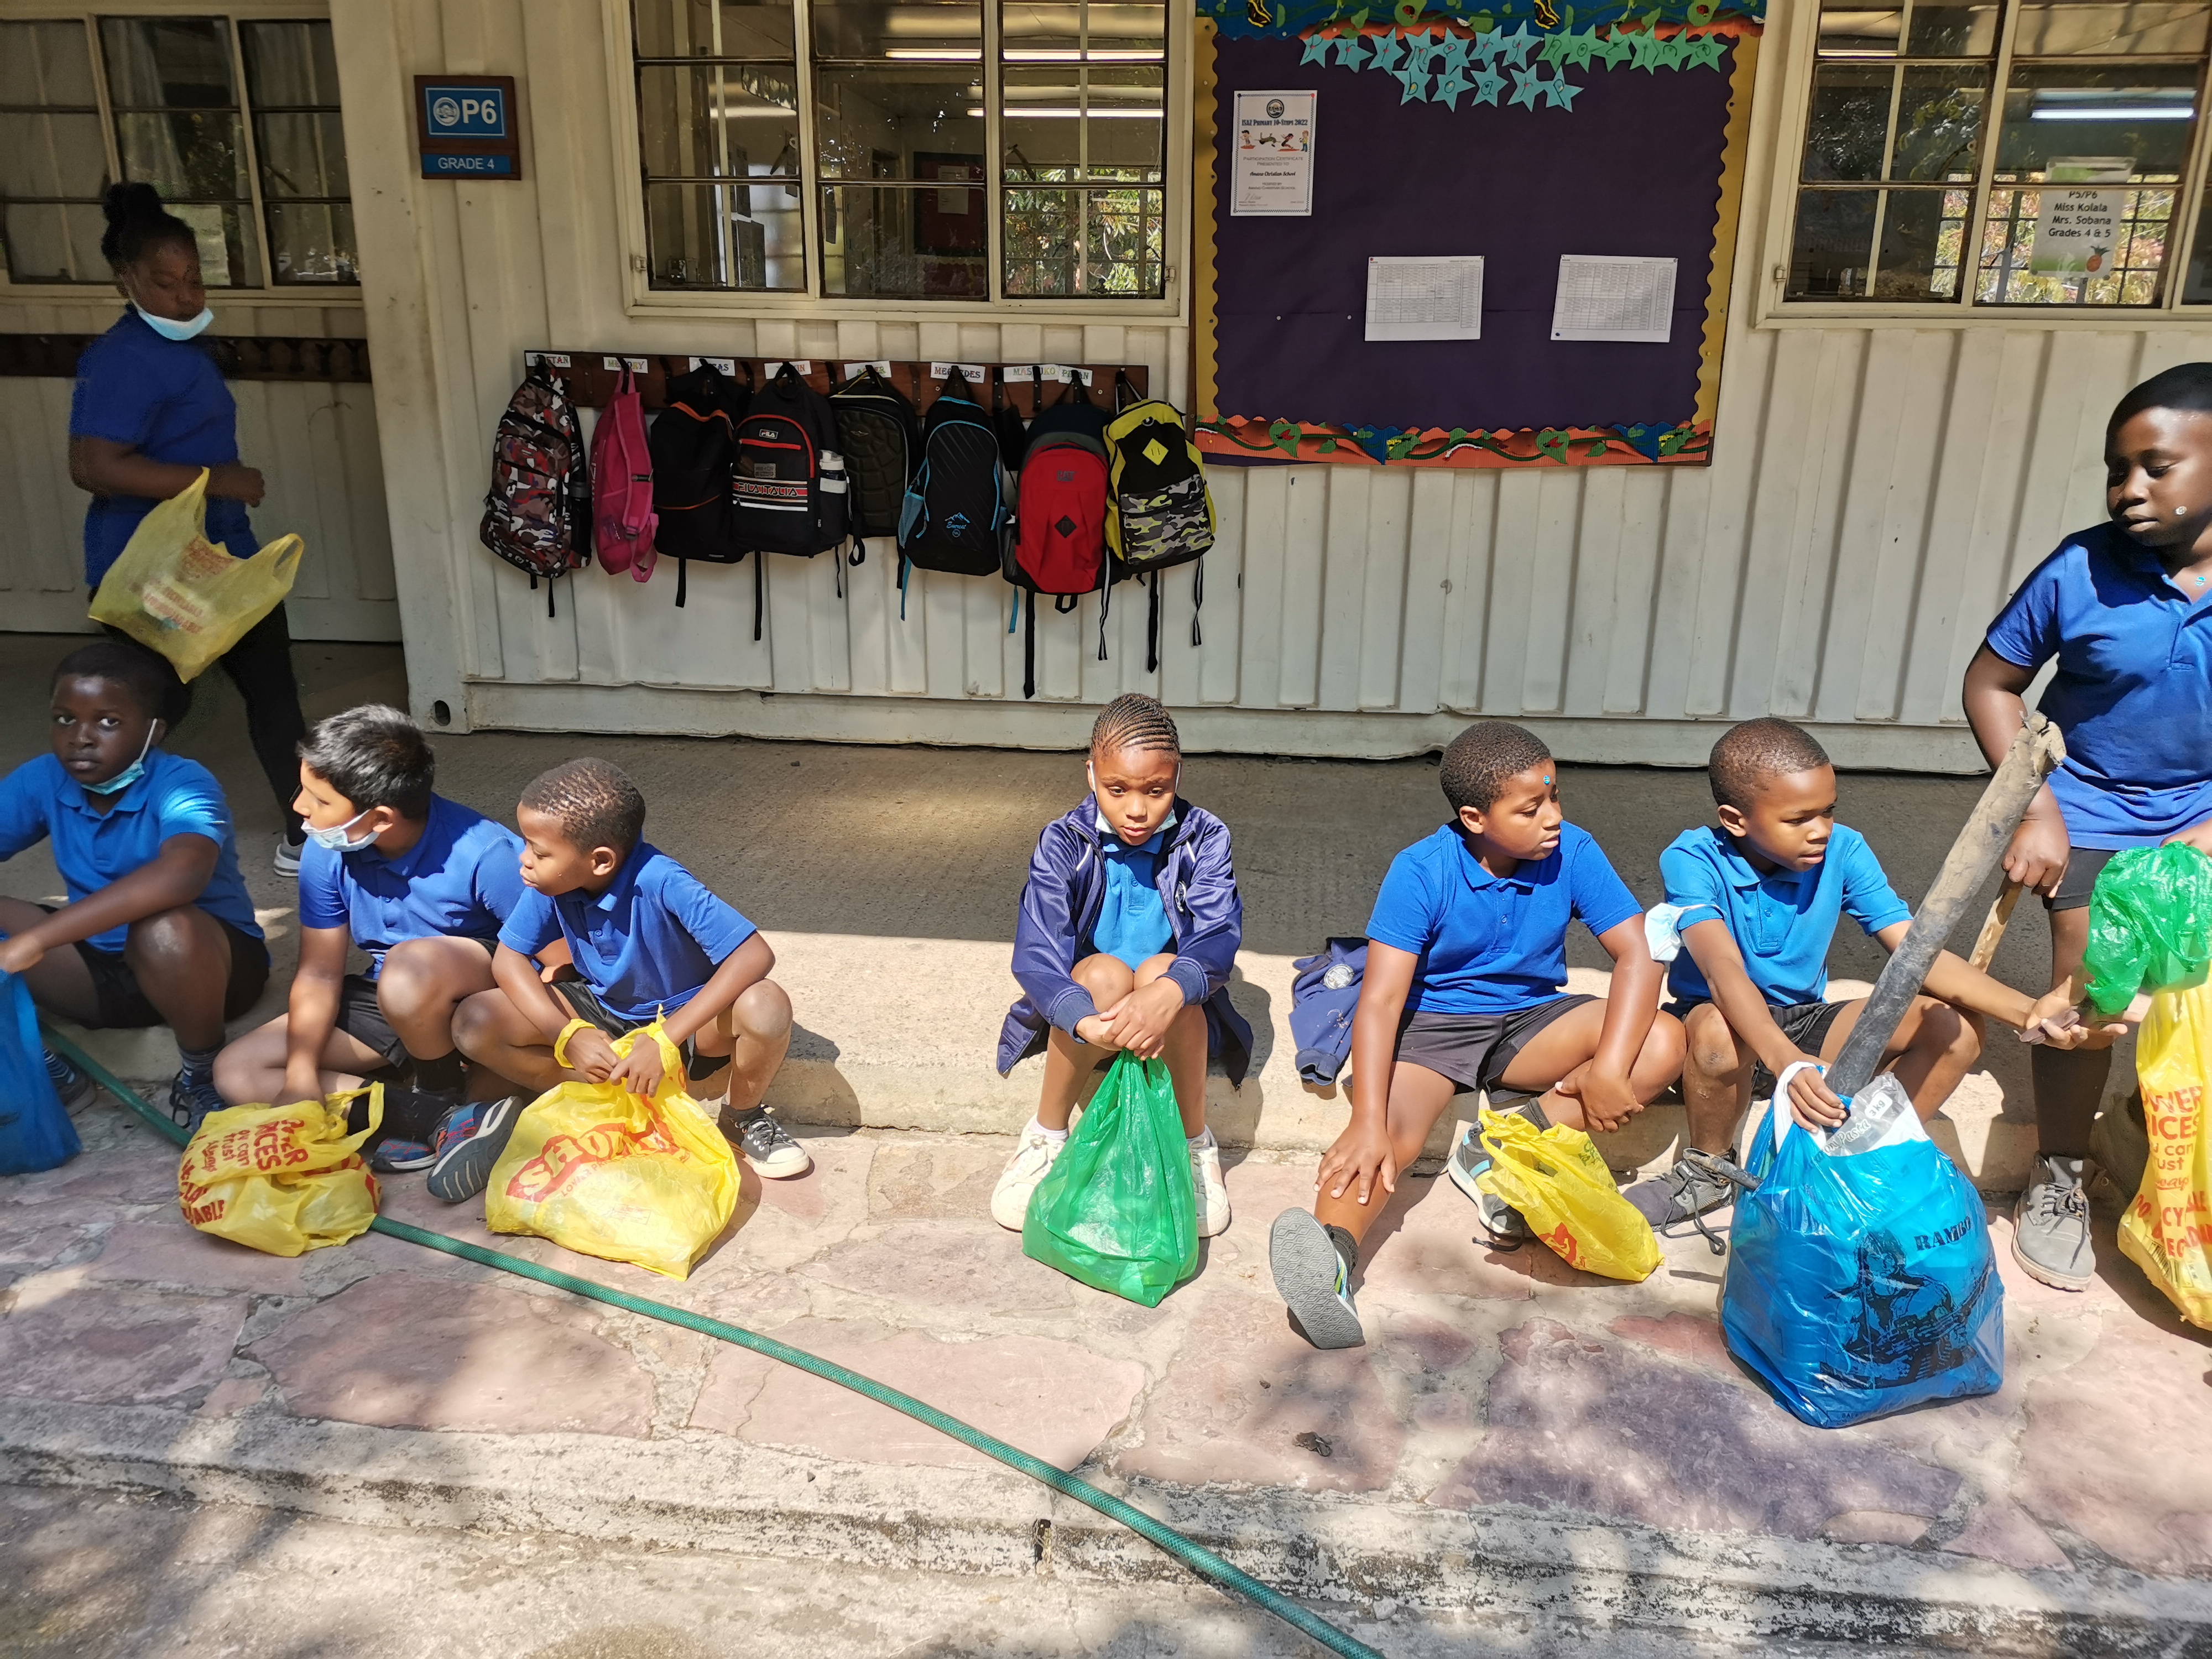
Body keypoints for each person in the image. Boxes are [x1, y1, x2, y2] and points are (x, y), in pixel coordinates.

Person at [1267, 720, 1683, 1350]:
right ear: (1474, 818)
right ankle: (1329, 1264)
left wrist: (1608, 1068)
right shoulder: (1421, 871)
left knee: (1662, 1042)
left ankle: (1493, 1151)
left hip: (1530, 1021)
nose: (1552, 817)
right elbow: (1381, 1000)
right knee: (1389, 1138)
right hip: (1432, 1027)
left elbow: (1640, 954)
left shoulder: (1573, 850)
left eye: (1554, 796)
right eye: (1530, 808)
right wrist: (1367, 1120)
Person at [1961, 361, 2212, 1291]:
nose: (2128, 489)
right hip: (2090, 802)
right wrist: (2036, 808)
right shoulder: (2081, 567)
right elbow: (1991, 685)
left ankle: (2154, 1130)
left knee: (2196, 984)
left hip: (2207, 807)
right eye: (2117, 470)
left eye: (2156, 467)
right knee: (2091, 987)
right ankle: (2061, 1170)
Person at [1649, 718, 2099, 1229]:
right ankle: (1710, 1172)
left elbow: (1917, 953)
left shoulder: (1843, 850)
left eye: (1828, 811)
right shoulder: (1692, 859)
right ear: (1736, 820)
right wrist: (1786, 1061)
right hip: (1719, 1028)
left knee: (1954, 1028)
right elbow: (1721, 970)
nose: (1820, 830)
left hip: (1804, 1019)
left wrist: (2030, 1011)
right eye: (1798, 819)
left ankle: (1855, 1165)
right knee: (1716, 1030)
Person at [68, 181, 309, 874]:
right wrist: (220, 480)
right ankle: (106, 837)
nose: (184, 297)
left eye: (193, 280)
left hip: (220, 555)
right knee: (146, 705)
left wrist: (222, 490)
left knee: (273, 692)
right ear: (126, 280)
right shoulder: (122, 358)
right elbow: (94, 465)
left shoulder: (179, 350)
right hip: (152, 569)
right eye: (164, 283)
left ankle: (307, 834)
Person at [439, 758, 797, 1201]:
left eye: (539, 851)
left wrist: (664, 1040)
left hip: (687, 1024)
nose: (524, 860)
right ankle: (611, 1104)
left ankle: (742, 1118)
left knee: (766, 1005)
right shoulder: (554, 885)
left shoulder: (662, 880)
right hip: (604, 1010)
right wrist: (567, 1033)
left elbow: (754, 953)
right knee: (474, 1021)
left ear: (601, 861)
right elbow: (508, 960)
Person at [211, 706, 525, 1170]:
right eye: (303, 789)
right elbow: (319, 973)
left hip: (478, 1001)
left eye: (320, 801)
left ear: (380, 819)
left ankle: (443, 1088)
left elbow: (555, 961)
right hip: (390, 998)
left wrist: (496, 1041)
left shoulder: (487, 854)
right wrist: (300, 1076)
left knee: (407, 969)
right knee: (238, 1071)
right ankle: (434, 1119)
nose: (300, 807)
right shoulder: (326, 849)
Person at [990, 694, 1253, 1239]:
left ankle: (1193, 1144)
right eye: (1117, 790)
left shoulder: (1205, 837)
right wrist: (1082, 1020)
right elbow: (1038, 951)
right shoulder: (1063, 841)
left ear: (1176, 777)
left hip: (1169, 1014)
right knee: (1104, 975)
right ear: (1091, 775)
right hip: (1095, 1011)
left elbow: (1218, 934)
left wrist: (1167, 993)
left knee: (1166, 971)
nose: (1137, 809)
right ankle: (1046, 1135)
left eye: (1156, 791)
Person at [0, 641, 268, 1130]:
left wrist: (36, 939)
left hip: (207, 968)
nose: (80, 738)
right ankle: (51, 1069)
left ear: (154, 731)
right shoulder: (44, 778)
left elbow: (182, 875)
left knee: (163, 926)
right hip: (99, 973)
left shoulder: (182, 782)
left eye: (108, 722)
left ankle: (203, 1074)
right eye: (64, 719)